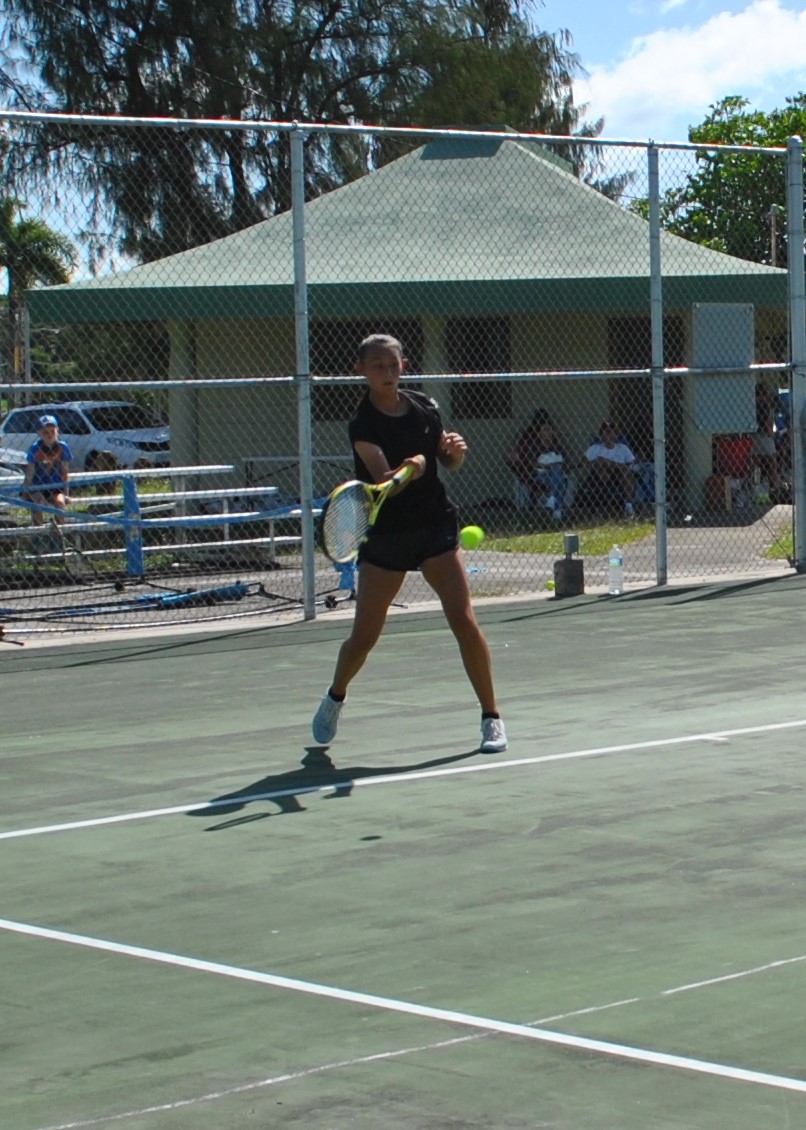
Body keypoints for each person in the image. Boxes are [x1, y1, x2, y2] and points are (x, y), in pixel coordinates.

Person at [312, 333, 507, 754]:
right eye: (377, 366)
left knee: (464, 620)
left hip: (435, 527)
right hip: (387, 537)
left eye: (393, 365)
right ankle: (335, 695)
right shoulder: (362, 424)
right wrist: (411, 468)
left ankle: (491, 717)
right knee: (364, 637)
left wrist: (452, 452)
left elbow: (448, 463)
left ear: (403, 366)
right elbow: (384, 487)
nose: (386, 372)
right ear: (360, 370)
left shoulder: (425, 407)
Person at [508, 408, 567, 518]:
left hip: (553, 475)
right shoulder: (534, 445)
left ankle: (553, 501)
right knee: (557, 474)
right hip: (539, 475)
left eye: (550, 430)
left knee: (557, 472)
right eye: (545, 430)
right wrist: (546, 464)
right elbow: (532, 463)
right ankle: (557, 507)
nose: (548, 433)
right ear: (539, 433)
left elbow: (563, 460)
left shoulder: (557, 445)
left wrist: (550, 463)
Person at [22, 414, 72, 526]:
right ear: (39, 433)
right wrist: (25, 493)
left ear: (57, 431)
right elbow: (30, 472)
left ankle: (59, 532)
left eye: (52, 431)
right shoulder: (35, 448)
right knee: (38, 503)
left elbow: (65, 470)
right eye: (45, 432)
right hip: (37, 486)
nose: (49, 434)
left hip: (54, 486)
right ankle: (40, 533)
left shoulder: (62, 447)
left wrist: (66, 493)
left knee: (60, 503)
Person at [585, 421, 637, 517]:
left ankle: (628, 505)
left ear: (617, 434)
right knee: (600, 462)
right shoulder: (595, 448)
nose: (610, 434)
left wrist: (609, 463)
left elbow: (633, 464)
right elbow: (584, 462)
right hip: (600, 475)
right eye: (607, 431)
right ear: (601, 434)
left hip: (620, 476)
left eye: (613, 431)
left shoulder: (623, 448)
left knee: (625, 471)